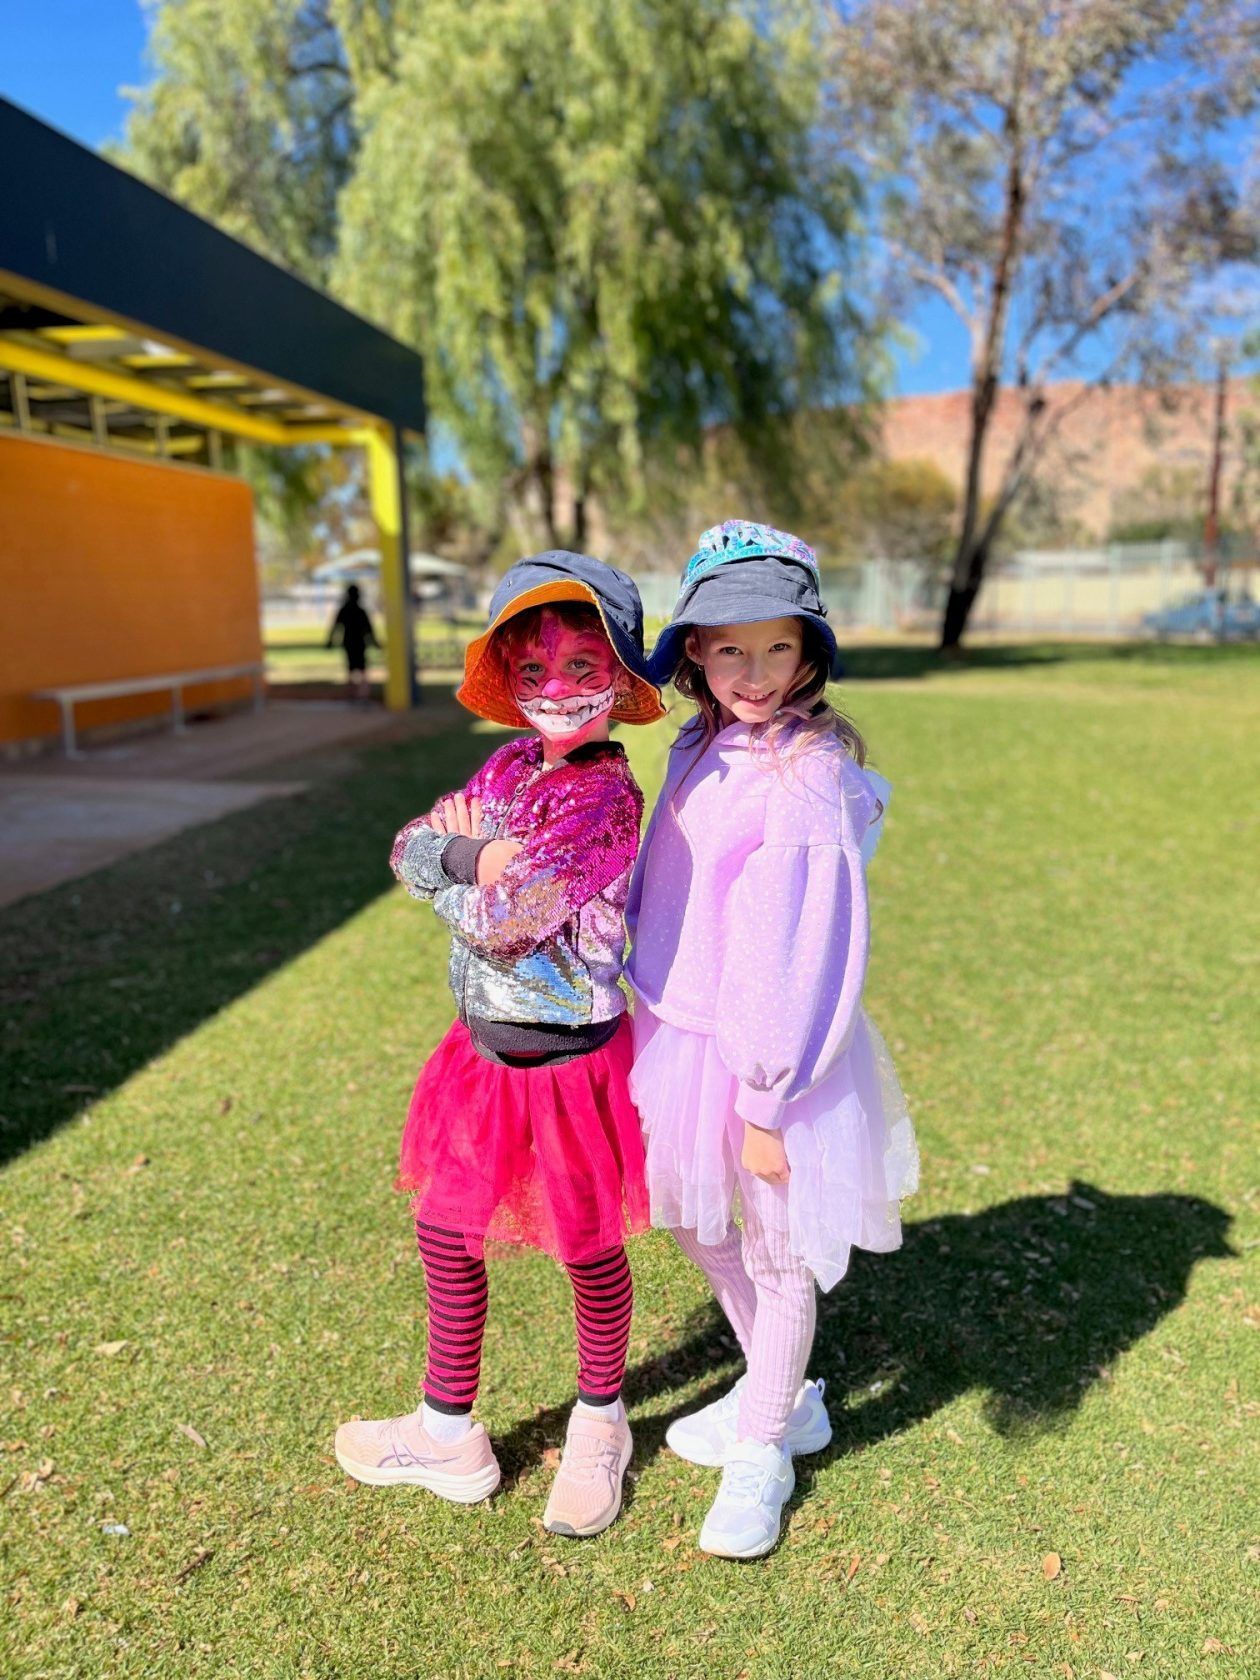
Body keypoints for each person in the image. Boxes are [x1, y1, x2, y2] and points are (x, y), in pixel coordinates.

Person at [335, 551, 666, 1538]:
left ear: (618, 676)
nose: (556, 690)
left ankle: (602, 1421)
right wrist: (471, 855)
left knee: (588, 1247)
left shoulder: (604, 797)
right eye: (532, 671)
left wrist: (466, 876)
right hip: (480, 1058)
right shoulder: (512, 766)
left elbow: (509, 922)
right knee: (446, 1232)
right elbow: (407, 847)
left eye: (581, 666)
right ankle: (446, 1433)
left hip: (571, 1067)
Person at [625, 520, 919, 1559]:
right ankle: (780, 1397)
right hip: (679, 1027)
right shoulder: (701, 742)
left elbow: (796, 953)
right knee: (698, 1225)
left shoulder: (806, 776)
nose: (755, 674)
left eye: (778, 648)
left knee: (776, 1251)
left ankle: (762, 1453)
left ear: (809, 654)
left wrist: (764, 1100)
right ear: (695, 654)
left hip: (764, 1051)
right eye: (730, 649)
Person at [326, 583, 378, 700]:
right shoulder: (360, 611)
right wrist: (374, 642)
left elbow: (336, 627)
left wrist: (330, 642)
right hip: (359, 643)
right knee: (362, 668)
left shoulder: (344, 611)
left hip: (349, 642)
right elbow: (369, 630)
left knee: (351, 668)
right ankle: (362, 693)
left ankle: (352, 693)